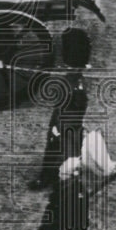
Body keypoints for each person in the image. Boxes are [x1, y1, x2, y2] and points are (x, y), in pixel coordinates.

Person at [28, 28, 91, 191]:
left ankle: (56, 181)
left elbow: (71, 110)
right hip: (66, 125)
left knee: (61, 153)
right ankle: (50, 177)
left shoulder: (71, 83)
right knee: (59, 152)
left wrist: (58, 128)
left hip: (65, 127)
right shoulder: (76, 79)